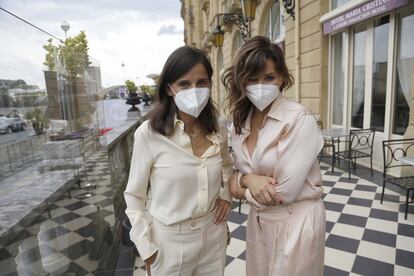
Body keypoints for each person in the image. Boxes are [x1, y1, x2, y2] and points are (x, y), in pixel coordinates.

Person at [124, 46, 232, 276]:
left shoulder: (218, 127)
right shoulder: (149, 134)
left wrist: (226, 196)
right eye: (184, 84)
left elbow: (227, 165)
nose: (195, 90)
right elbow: (134, 196)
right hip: (169, 243)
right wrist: (146, 248)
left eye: (202, 82)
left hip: (213, 237)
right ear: (170, 89)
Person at [223, 36, 326, 276]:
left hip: (295, 222)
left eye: (269, 78)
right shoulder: (241, 122)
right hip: (258, 222)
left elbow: (283, 193)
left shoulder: (299, 119)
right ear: (241, 82)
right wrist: (249, 180)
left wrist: (237, 185)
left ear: (282, 78)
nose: (261, 86)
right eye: (252, 79)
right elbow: (234, 172)